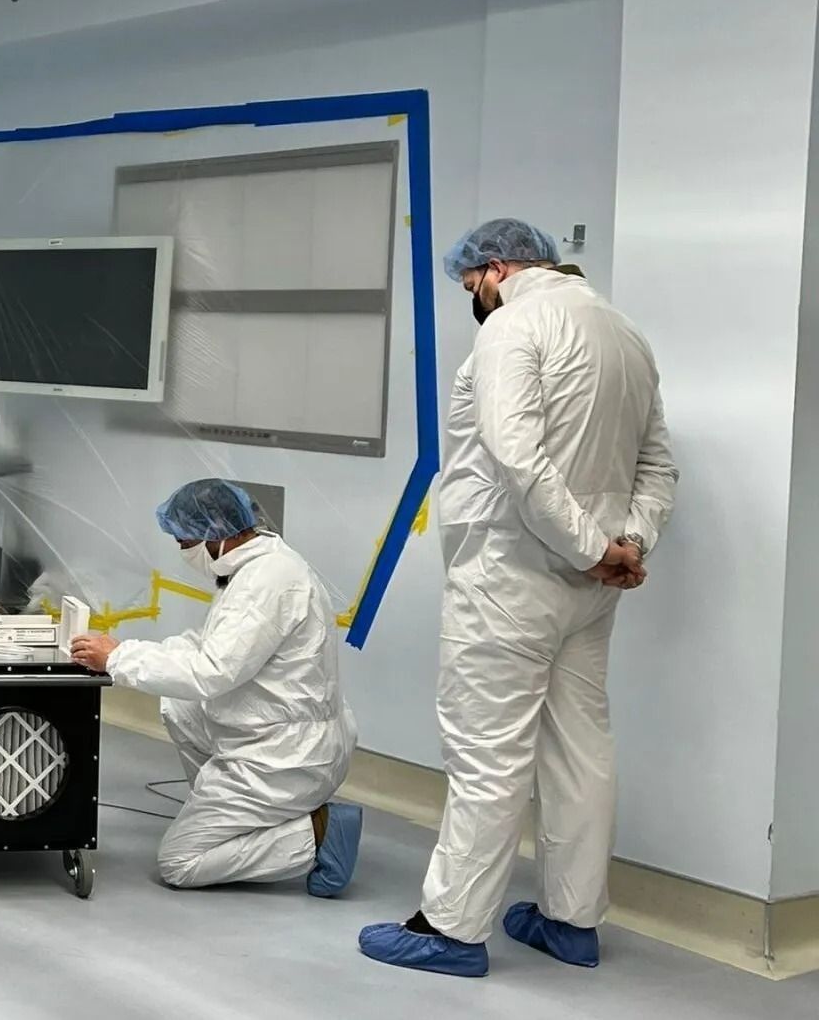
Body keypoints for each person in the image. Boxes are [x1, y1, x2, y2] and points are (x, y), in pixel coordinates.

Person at [359, 218, 678, 977]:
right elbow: (657, 462)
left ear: (496, 268)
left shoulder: (511, 329)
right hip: (591, 590)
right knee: (580, 749)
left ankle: (450, 927)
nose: (474, 298)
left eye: (471, 286)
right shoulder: (626, 334)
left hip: (510, 577)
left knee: (486, 753)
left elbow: (516, 458)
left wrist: (593, 548)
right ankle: (571, 920)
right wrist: (627, 543)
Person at [70, 478, 362, 897]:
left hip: (286, 759)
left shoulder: (267, 583)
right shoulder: (253, 566)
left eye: (184, 541)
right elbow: (206, 648)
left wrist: (118, 660)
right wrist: (122, 651)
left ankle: (317, 833)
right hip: (278, 736)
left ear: (213, 536)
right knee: (178, 705)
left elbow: (211, 670)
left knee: (179, 863)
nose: (182, 551)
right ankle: (226, 813)